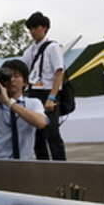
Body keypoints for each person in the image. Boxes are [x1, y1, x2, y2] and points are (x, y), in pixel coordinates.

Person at [0, 59, 48, 159]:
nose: (12, 80)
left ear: (25, 82)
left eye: (16, 76)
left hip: (24, 164)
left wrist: (8, 102)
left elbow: (41, 123)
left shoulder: (33, 103)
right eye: (7, 77)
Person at [21, 11, 67, 161]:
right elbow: (23, 72)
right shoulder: (29, 51)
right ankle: (43, 168)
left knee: (52, 134)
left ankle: (61, 169)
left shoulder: (53, 47)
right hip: (33, 94)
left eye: (35, 27)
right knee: (36, 136)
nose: (32, 31)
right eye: (30, 28)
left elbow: (59, 73)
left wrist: (52, 97)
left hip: (48, 94)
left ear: (45, 27)